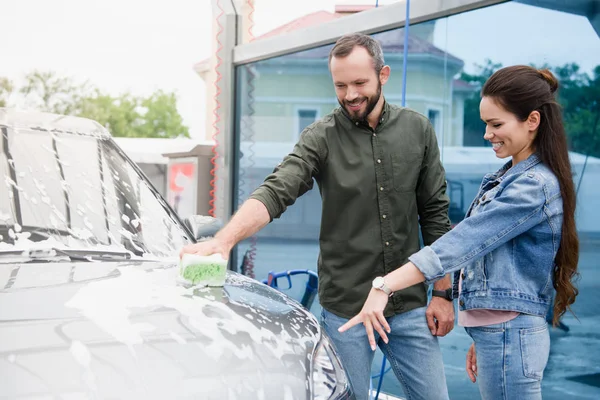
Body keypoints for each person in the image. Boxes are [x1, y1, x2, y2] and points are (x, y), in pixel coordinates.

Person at [180, 33, 454, 400]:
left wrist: (443, 293)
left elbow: (435, 214)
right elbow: (278, 190)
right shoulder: (321, 136)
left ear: (383, 75)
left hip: (408, 305)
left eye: (360, 83)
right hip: (347, 308)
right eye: (341, 85)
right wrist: (224, 239)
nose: (350, 94)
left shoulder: (418, 129)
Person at [338, 65, 580, 400]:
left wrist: (385, 285)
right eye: (485, 124)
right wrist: (483, 335)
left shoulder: (533, 186)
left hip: (511, 336)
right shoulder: (509, 176)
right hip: (502, 335)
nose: (487, 134)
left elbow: (463, 242)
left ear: (533, 121)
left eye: (496, 124)